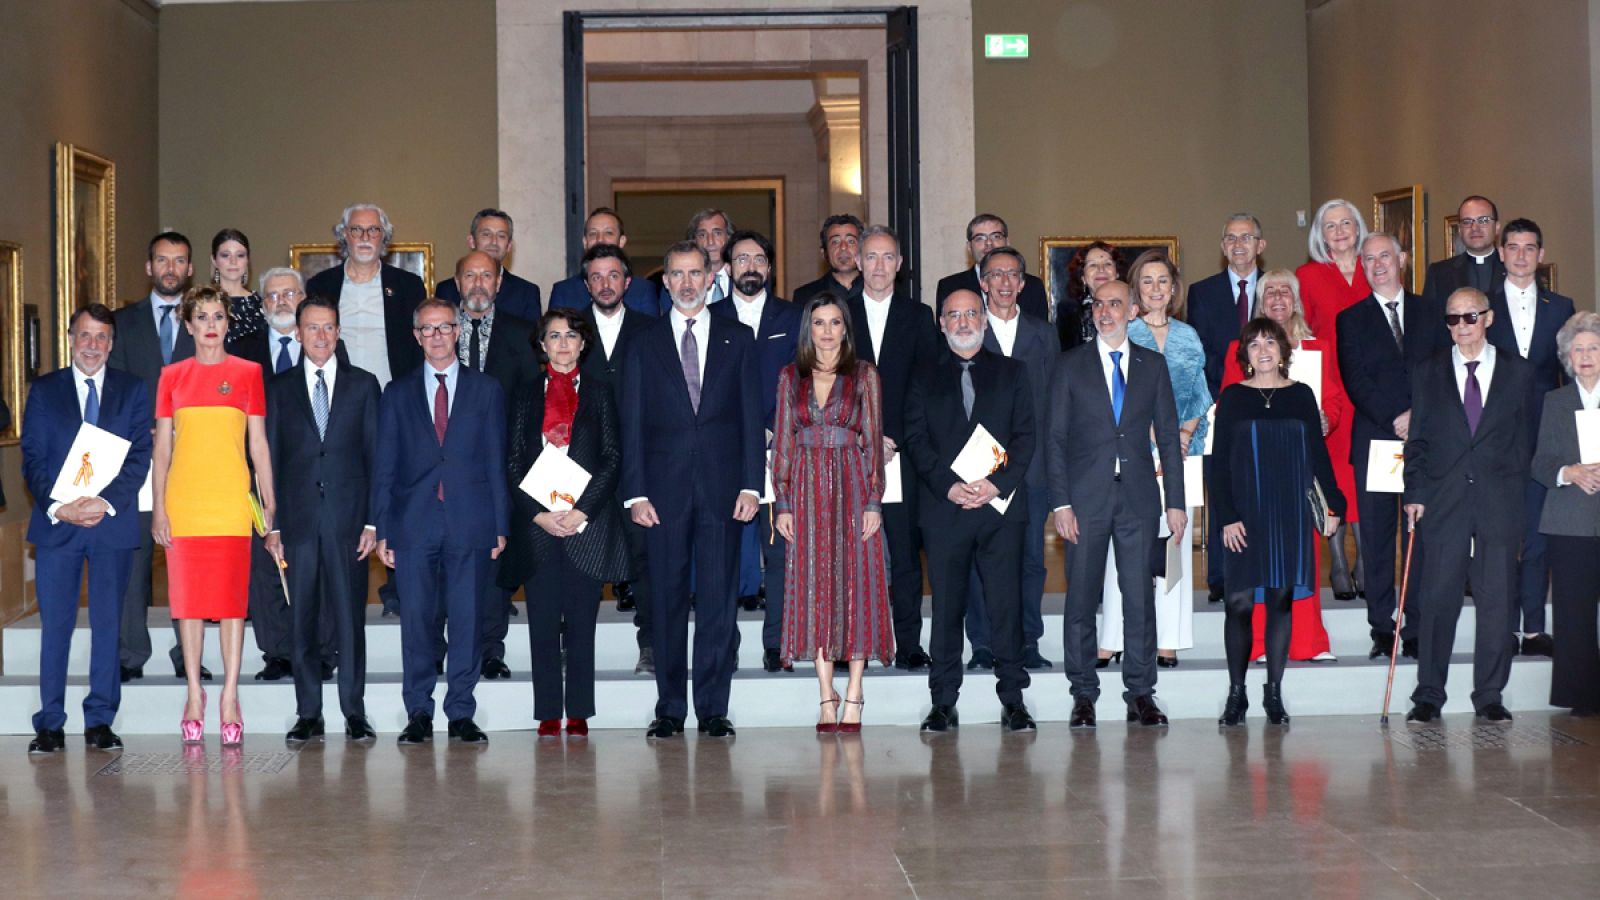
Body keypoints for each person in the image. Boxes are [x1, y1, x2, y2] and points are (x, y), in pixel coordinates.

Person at [622, 240, 763, 739]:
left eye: (694, 274)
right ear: (665, 282)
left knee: (720, 602)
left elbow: (751, 417)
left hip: (725, 490)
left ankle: (712, 708)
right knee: (665, 601)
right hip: (661, 495)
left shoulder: (738, 338)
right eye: (676, 274)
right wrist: (635, 493)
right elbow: (631, 423)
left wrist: (752, 484)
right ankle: (669, 708)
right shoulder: (643, 343)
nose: (685, 283)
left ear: (711, 278)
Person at [1048, 279, 1186, 729]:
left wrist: (1176, 503)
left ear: (1132, 311)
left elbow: (1167, 437)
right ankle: (1083, 694)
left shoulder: (1153, 366)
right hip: (1085, 501)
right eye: (1098, 304)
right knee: (1082, 599)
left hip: (1140, 501)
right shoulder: (1070, 366)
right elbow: (1056, 440)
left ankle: (1141, 693)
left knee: (1140, 599)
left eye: (1114, 304)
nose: (1105, 311)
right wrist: (1062, 504)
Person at [374, 299, 509, 745]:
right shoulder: (397, 392)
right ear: (416, 336)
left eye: (444, 328)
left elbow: (496, 461)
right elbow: (385, 467)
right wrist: (383, 528)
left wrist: (500, 524)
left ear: (457, 331)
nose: (436, 336)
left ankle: (461, 713)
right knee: (416, 621)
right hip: (413, 524)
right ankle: (418, 711)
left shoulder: (486, 390)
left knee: (467, 620)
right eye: (427, 329)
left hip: (471, 521)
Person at [20, 304, 152, 753]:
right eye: (84, 336)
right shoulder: (44, 390)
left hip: (110, 526)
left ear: (111, 344)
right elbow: (33, 459)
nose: (92, 345)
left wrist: (105, 502)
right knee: (55, 626)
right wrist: (60, 507)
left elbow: (140, 456)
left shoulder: (133, 390)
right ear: (71, 339)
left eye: (101, 337)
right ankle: (50, 723)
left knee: (107, 625)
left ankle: (100, 720)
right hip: (59, 527)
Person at [905, 289, 1037, 732]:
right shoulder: (922, 375)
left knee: (1005, 606)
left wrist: (992, 484)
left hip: (999, 510)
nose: (963, 322)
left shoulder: (1013, 372)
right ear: (940, 323)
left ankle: (1014, 699)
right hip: (946, 511)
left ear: (984, 318)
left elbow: (1025, 437)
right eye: (953, 315)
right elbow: (916, 440)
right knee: (946, 610)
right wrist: (950, 487)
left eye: (971, 314)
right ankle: (943, 701)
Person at [1403, 287, 1534, 723]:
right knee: (1438, 597)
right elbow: (1417, 439)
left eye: (1470, 317)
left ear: (1489, 318)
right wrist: (1415, 493)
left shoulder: (1519, 371)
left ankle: (1490, 694)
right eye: (1453, 319)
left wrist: (1512, 486)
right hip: (1443, 499)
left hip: (1500, 500)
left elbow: (1528, 439)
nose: (1462, 326)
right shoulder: (1428, 371)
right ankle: (1428, 694)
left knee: (1497, 598)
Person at [151, 285, 276, 746]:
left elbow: (257, 442)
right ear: (188, 325)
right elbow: (162, 447)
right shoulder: (172, 376)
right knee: (186, 603)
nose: (209, 324)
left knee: (229, 604)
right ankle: (194, 695)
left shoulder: (247, 372)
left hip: (228, 500)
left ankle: (228, 696)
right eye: (201, 316)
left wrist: (269, 499)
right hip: (185, 502)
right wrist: (159, 507)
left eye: (217, 316)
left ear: (227, 322)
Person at [502, 311, 630, 738]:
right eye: (553, 336)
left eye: (570, 336)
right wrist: (537, 513)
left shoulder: (601, 392)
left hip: (585, 527)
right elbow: (513, 461)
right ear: (541, 344)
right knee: (540, 623)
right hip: (538, 525)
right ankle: (546, 712)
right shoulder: (523, 394)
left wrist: (582, 511)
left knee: (581, 624)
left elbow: (612, 458)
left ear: (582, 344)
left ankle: (577, 710)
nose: (561, 343)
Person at [1213, 317, 1346, 726]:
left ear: (1284, 350)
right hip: (1244, 513)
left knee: (1280, 599)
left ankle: (1273, 692)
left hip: (1287, 511)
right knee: (1237, 603)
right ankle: (1237, 693)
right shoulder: (1233, 397)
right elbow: (1217, 465)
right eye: (1255, 344)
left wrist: (1335, 503)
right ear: (1246, 356)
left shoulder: (1302, 396)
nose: (1264, 350)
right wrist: (1228, 516)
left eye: (1271, 342)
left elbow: (1318, 455)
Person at [263, 295, 382, 742]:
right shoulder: (276, 389)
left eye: (329, 327)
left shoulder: (364, 385)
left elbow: (377, 458)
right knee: (303, 621)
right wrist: (271, 526)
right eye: (312, 328)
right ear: (297, 333)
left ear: (338, 332)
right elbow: (267, 460)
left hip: (350, 523)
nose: (321, 336)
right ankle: (308, 712)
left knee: (351, 619)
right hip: (295, 522)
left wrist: (373, 521)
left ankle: (354, 711)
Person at [772, 292, 892, 732]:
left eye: (834, 322)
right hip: (804, 490)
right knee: (813, 587)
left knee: (856, 586)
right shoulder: (790, 377)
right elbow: (782, 443)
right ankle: (826, 696)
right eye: (818, 323)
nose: (826, 331)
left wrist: (873, 500)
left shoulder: (864, 375)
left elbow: (874, 441)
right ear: (809, 329)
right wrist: (782, 502)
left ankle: (855, 693)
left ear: (846, 328)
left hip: (853, 485)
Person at [1336, 233, 1447, 659]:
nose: (1377, 264)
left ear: (1402, 258)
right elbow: (1356, 379)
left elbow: (1442, 370)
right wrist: (1395, 418)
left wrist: (1417, 417)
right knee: (1378, 539)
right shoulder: (1351, 318)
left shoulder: (1431, 311)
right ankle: (1382, 626)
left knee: (1417, 535)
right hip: (1377, 442)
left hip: (1424, 442)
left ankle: (1415, 624)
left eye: (1385, 255)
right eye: (1369, 259)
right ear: (1361, 266)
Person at [1097, 250, 1211, 668]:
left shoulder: (1188, 336)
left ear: (1174, 288)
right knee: (1121, 549)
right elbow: (1114, 391)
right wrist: (1153, 435)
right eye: (1147, 281)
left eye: (1163, 281)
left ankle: (1169, 637)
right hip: (1131, 457)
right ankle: (1111, 637)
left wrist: (1180, 436)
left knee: (1172, 551)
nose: (1156, 288)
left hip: (1183, 454)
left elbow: (1200, 394)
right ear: (1135, 289)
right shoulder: (1124, 334)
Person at [107, 231, 206, 682]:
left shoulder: (205, 322)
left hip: (192, 458)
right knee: (135, 552)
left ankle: (187, 654)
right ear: (148, 268)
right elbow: (110, 389)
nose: (170, 269)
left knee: (186, 556)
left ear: (190, 269)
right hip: (136, 455)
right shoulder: (121, 323)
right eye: (162, 261)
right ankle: (130, 653)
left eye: (179, 261)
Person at [845, 226, 939, 671]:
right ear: (857, 262)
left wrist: (893, 438)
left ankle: (908, 643)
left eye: (888, 257)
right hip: (846, 451)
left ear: (899, 265)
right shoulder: (836, 313)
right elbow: (827, 384)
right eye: (871, 257)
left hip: (900, 455)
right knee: (848, 553)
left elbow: (926, 386)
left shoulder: (919, 316)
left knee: (903, 552)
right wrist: (863, 433)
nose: (879, 266)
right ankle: (851, 644)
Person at [964, 247, 1059, 671]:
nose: (1004, 282)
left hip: (1031, 464)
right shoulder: (967, 330)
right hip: (977, 464)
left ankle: (1027, 642)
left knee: (1030, 559)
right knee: (979, 557)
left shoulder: (1044, 333)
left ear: (1023, 283)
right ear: (982, 282)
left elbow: (1054, 403)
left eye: (1012, 275)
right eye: (995, 275)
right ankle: (983, 643)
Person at [709, 230, 801, 666]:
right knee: (722, 550)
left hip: (782, 447)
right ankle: (723, 645)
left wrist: (771, 428)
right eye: (741, 258)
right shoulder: (709, 316)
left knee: (779, 549)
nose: (750, 266)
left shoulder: (795, 317)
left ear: (770, 267)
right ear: (727, 268)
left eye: (759, 259)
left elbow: (805, 381)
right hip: (723, 451)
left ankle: (777, 642)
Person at [1486, 218, 1574, 658]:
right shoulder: (1480, 306)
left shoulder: (1562, 307)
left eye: (1529, 247)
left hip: (1545, 435)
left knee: (1539, 532)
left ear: (1541, 255)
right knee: (1500, 535)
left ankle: (1535, 627)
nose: (1521, 255)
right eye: (1513, 247)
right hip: (1494, 435)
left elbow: (1569, 375)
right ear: (1500, 253)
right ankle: (1501, 627)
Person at [452, 250, 539, 681]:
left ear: (500, 283)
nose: (479, 284)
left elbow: (529, 402)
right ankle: (445, 648)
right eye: (471, 276)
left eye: (487, 275)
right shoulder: (438, 332)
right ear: (457, 283)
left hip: (500, 468)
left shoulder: (523, 335)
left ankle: (491, 648)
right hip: (444, 470)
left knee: (494, 563)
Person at [575, 244, 657, 674]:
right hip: (582, 467)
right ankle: (575, 648)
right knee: (580, 558)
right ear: (586, 284)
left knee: (644, 558)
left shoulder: (652, 330)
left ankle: (651, 646)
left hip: (638, 465)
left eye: (613, 275)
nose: (605, 284)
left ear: (628, 282)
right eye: (596, 277)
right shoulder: (568, 331)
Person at [1188, 214, 1267, 604]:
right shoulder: (1202, 293)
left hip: (1270, 402)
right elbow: (1201, 351)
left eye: (1247, 237)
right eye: (1231, 238)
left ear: (1261, 245)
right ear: (1222, 247)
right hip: (1219, 401)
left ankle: (1260, 567)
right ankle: (1219, 575)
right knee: (1220, 485)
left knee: (1262, 488)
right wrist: (1231, 388)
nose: (1239, 245)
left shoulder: (1276, 289)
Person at [1532, 311, 1600, 716]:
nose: (1587, 356)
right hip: (1569, 521)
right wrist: (1568, 472)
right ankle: (1581, 697)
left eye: (1594, 348)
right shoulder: (1554, 402)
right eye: (1579, 350)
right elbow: (1539, 464)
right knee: (1574, 613)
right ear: (1567, 357)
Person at [304, 203, 426, 389]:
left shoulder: (408, 287)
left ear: (384, 235)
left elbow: (420, 348)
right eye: (356, 230)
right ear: (344, 234)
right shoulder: (320, 285)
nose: (365, 237)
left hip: (392, 396)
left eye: (373, 230)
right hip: (335, 397)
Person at [934, 214, 1050, 321]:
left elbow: (1041, 336)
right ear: (969, 247)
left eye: (996, 236)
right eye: (980, 238)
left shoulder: (1033, 286)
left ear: (1007, 242)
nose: (989, 243)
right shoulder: (950, 287)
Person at [548, 207, 661, 315]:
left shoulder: (643, 290)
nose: (600, 239)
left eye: (608, 233)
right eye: (593, 234)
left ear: (621, 241)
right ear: (585, 242)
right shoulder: (564, 291)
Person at [434, 208, 541, 321]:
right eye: (486, 234)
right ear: (471, 241)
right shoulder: (446, 290)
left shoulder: (526, 292)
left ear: (509, 245)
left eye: (501, 236)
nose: (494, 242)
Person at [1298, 198, 1372, 343]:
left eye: (1346, 223)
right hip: (1328, 363)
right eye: (1330, 226)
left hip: (1375, 363)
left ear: (1357, 229)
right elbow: (1300, 331)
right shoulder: (1307, 276)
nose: (1339, 231)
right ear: (1322, 236)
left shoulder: (1376, 269)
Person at [1422, 196, 1504, 307]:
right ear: (1460, 230)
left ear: (1497, 227)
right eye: (1467, 221)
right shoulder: (1439, 274)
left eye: (1483, 220)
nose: (1475, 227)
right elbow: (1428, 319)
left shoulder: (1514, 268)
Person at [657, 209, 734, 313]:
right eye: (702, 235)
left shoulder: (740, 280)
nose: (710, 241)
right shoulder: (673, 286)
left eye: (717, 233)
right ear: (693, 240)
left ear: (728, 237)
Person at [208, 229, 268, 347]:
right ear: (214, 260)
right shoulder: (202, 302)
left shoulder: (262, 305)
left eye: (240, 255)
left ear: (247, 260)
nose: (233, 261)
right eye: (225, 255)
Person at [1058, 241, 1121, 351]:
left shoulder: (1132, 306)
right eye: (1093, 265)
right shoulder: (1068, 311)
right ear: (1083, 277)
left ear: (1117, 274)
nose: (1101, 269)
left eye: (1108, 264)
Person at [793, 214, 864, 306]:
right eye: (835, 242)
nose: (843, 247)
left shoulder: (878, 289)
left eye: (850, 241)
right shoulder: (805, 296)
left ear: (863, 249)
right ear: (824, 252)